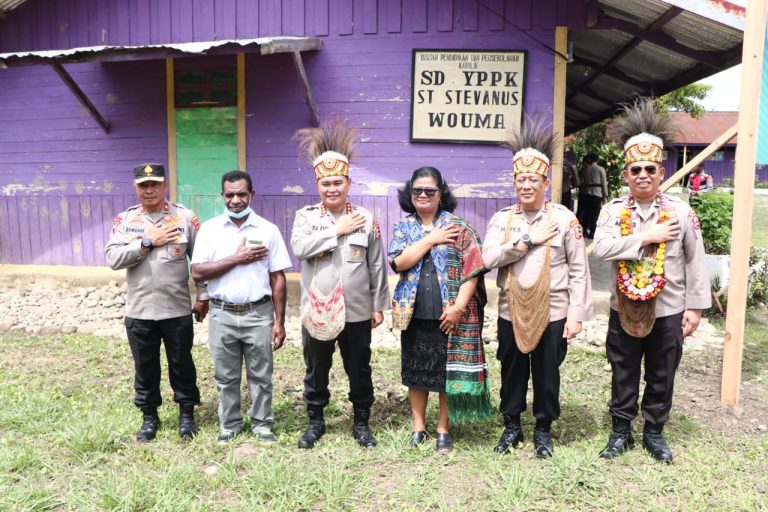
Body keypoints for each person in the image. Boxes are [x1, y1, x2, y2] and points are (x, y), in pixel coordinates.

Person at [594, 99, 710, 463]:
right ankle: (620, 432)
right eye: (635, 169)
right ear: (626, 175)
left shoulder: (680, 212)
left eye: (650, 168)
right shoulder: (613, 211)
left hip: (669, 308)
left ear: (661, 172)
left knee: (662, 373)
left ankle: (654, 432)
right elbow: (601, 248)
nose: (642, 174)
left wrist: (695, 307)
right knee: (623, 370)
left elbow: (696, 261)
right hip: (624, 307)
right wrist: (647, 237)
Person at [482, 116, 593, 458]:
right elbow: (487, 259)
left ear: (546, 182)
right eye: (520, 179)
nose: (526, 185)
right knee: (511, 370)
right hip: (510, 309)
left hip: (553, 311)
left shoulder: (563, 219)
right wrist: (526, 241)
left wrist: (576, 315)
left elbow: (579, 270)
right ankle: (512, 425)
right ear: (514, 183)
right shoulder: (503, 219)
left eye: (533, 179)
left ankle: (543, 429)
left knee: (547, 375)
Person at [290, 119, 390, 449]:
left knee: (359, 368)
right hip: (317, 307)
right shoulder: (306, 218)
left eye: (337, 182)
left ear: (349, 182)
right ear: (318, 185)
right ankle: (316, 421)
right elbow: (300, 249)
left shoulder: (366, 218)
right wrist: (335, 230)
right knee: (316, 368)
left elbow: (376, 264)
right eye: (325, 183)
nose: (332, 188)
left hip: (357, 310)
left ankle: (361, 422)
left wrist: (378, 306)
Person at [389, 166, 493, 454]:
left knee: (445, 374)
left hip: (448, 314)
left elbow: (473, 270)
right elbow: (399, 263)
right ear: (410, 195)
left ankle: (443, 429)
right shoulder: (403, 228)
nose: (423, 195)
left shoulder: (458, 226)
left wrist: (459, 307)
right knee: (416, 372)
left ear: (441, 193)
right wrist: (431, 239)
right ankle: (418, 428)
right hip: (414, 311)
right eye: (417, 191)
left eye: (430, 191)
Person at [105, 163, 208, 442]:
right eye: (143, 185)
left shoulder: (184, 217)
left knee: (182, 363)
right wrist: (146, 243)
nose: (149, 190)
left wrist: (203, 297)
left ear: (165, 186)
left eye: (154, 184)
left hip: (176, 310)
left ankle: (187, 414)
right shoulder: (125, 221)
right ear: (136, 188)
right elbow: (113, 259)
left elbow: (200, 262)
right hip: (139, 311)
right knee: (145, 366)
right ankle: (149, 416)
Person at [190, 170, 291, 444]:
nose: (236, 199)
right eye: (230, 194)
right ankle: (230, 425)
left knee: (261, 374)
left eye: (241, 194)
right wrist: (237, 258)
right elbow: (198, 271)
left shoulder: (268, 230)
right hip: (222, 313)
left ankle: (261, 424)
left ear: (251, 195)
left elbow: (277, 277)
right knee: (225, 375)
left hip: (258, 313)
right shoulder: (210, 230)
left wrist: (279, 322)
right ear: (222, 196)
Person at [581, 152, 608, 238]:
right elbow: (604, 183)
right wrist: (605, 195)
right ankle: (592, 232)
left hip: (586, 192)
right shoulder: (601, 169)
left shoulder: (586, 169)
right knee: (595, 213)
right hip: (597, 193)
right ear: (597, 160)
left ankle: (584, 230)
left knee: (586, 212)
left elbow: (583, 182)